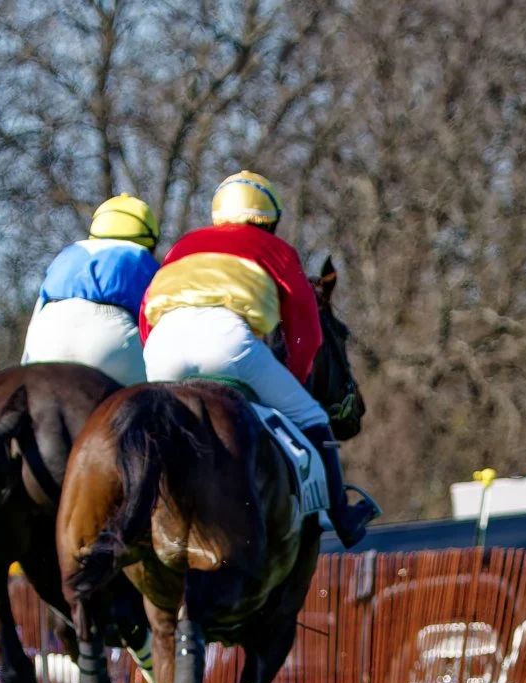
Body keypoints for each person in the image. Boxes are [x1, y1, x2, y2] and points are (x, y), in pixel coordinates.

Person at [139, 170, 378, 548]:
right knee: (313, 416)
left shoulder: (182, 246)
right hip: (227, 344)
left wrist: (158, 363)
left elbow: (145, 312)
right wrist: (294, 380)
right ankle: (342, 514)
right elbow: (307, 332)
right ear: (270, 219)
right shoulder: (277, 250)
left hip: (161, 348)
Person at [20, 194, 162, 386]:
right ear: (150, 240)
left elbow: (38, 312)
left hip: (46, 337)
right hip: (109, 344)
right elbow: (155, 327)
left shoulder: (68, 253)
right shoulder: (142, 259)